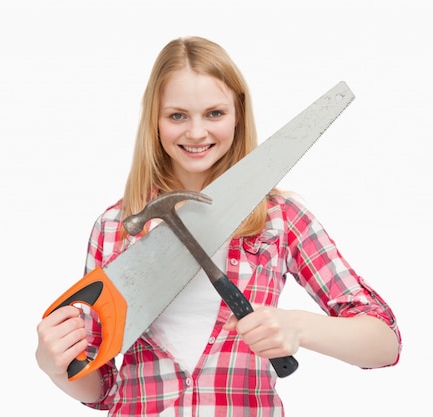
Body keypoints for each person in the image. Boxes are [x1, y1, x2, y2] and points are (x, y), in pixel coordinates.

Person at [35, 36, 401, 416]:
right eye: (177, 115)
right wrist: (56, 367)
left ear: (238, 114)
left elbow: (384, 342)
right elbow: (106, 389)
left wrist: (297, 326)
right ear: (154, 121)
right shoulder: (116, 228)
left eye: (214, 113)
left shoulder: (279, 217)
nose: (196, 133)